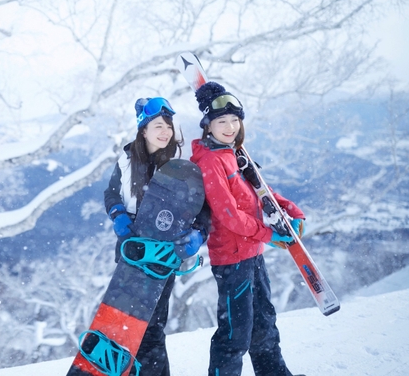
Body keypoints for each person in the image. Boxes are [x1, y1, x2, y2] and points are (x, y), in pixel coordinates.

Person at [189, 81, 306, 376]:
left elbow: (260, 190)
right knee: (235, 334)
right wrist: (270, 234)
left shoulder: (234, 152)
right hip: (231, 259)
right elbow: (227, 214)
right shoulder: (211, 162)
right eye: (221, 121)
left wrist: (291, 209)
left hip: (252, 253)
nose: (229, 126)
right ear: (208, 126)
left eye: (234, 120)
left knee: (264, 323)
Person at [104, 97, 210, 376]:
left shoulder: (180, 167)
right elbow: (111, 194)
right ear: (143, 131)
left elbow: (203, 209)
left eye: (168, 127)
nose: (165, 132)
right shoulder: (126, 162)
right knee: (128, 325)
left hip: (162, 255)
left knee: (149, 325)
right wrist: (119, 216)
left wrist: (198, 235)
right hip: (131, 252)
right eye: (158, 126)